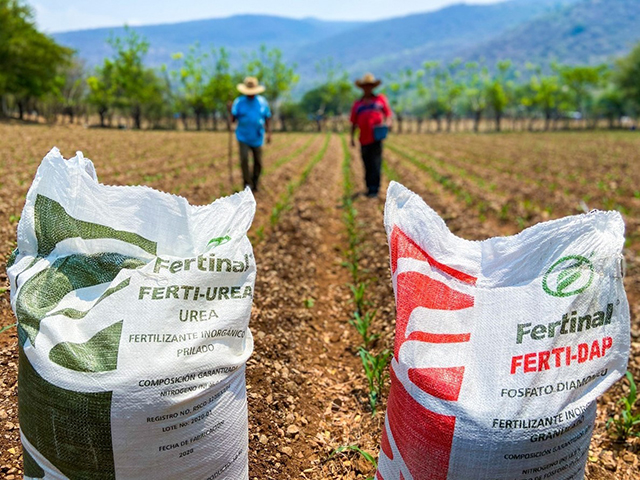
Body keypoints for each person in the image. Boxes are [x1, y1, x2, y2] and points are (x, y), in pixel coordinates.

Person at [350, 73, 393, 198]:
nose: (367, 88)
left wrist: (388, 123)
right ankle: (369, 187)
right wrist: (352, 138)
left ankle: (375, 189)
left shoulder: (380, 100)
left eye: (370, 86)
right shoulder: (358, 104)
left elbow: (388, 114)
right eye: (365, 86)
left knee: (376, 163)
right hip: (363, 139)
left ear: (373, 87)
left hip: (376, 137)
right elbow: (353, 122)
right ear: (362, 88)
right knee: (367, 163)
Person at [230, 77, 272, 192]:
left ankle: (255, 182)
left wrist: (269, 133)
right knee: (244, 160)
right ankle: (247, 184)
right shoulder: (239, 102)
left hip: (258, 136)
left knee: (258, 162)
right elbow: (233, 119)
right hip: (243, 136)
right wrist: (230, 111)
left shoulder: (262, 102)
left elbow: (267, 117)